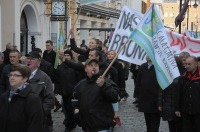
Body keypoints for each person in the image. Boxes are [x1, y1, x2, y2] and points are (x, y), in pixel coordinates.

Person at [73, 58, 119, 132]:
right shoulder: (81, 84)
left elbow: (115, 98)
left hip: (102, 126)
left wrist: (103, 86)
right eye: (91, 65)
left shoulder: (106, 81)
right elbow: (75, 98)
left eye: (96, 65)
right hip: (87, 126)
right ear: (85, 69)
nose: (94, 67)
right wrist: (76, 111)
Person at [0, 64, 43, 132]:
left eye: (16, 75)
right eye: (10, 75)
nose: (12, 78)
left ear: (25, 78)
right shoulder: (4, 96)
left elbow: (35, 125)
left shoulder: (32, 98)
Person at [25, 51, 54, 132]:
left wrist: (41, 112)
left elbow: (50, 99)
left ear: (39, 63)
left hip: (38, 118)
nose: (29, 61)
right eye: (28, 58)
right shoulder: (21, 75)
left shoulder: (44, 78)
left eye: (32, 59)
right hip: (22, 116)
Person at [55, 50, 81, 132]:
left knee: (70, 109)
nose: (66, 57)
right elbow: (57, 79)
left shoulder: (75, 66)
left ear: (71, 56)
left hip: (72, 92)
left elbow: (79, 79)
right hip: (64, 92)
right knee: (66, 109)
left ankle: (69, 125)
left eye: (68, 55)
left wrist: (76, 90)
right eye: (65, 55)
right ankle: (71, 122)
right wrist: (57, 89)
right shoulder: (61, 66)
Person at [135, 55, 161, 132]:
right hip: (144, 97)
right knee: (147, 118)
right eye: (147, 54)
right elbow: (138, 81)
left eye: (150, 54)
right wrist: (136, 94)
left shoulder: (158, 67)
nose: (148, 56)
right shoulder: (143, 66)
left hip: (155, 97)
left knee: (155, 120)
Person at [175, 56, 200, 132]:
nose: (187, 66)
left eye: (189, 64)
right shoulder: (182, 78)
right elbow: (178, 94)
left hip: (198, 111)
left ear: (196, 64)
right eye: (186, 64)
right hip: (185, 111)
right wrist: (177, 108)